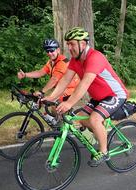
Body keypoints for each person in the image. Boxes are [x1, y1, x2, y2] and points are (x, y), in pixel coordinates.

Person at [42, 27, 128, 167]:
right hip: (98, 97)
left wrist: (69, 103)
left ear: (82, 44)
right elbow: (64, 81)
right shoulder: (76, 61)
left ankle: (104, 151)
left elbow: (84, 83)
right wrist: (51, 97)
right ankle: (100, 134)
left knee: (94, 119)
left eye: (72, 44)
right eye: (68, 44)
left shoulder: (95, 57)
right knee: (81, 117)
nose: (69, 47)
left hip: (115, 95)